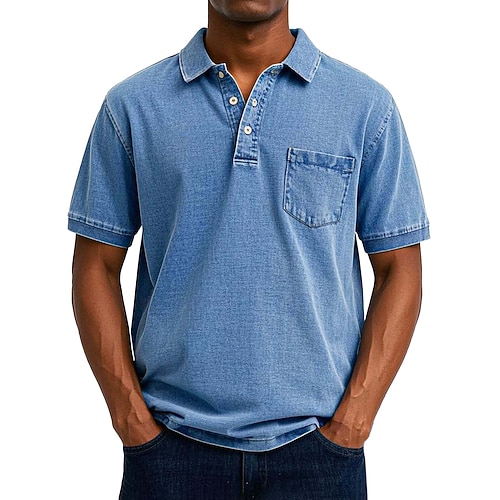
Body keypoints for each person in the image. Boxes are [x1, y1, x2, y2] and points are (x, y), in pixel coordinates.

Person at [69, 1, 430, 498]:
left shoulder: (365, 107)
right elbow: (96, 265)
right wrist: (130, 418)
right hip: (170, 453)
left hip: (319, 455)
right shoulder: (132, 107)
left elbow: (399, 269)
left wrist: (354, 421)